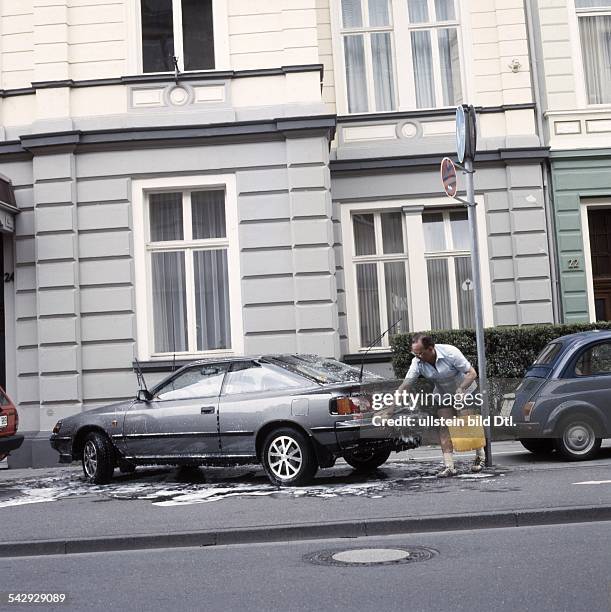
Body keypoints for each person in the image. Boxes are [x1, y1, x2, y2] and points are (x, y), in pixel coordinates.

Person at [397, 333, 485, 477]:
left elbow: (471, 373)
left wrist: (460, 389)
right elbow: (406, 384)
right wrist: (390, 405)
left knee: (467, 425)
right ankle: (449, 466)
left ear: (431, 348)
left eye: (420, 353)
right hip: (443, 393)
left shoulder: (450, 353)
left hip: (465, 389)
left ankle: (480, 457)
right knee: (444, 427)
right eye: (415, 353)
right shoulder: (417, 362)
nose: (417, 356)